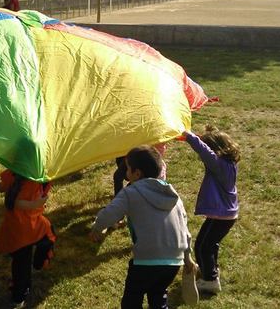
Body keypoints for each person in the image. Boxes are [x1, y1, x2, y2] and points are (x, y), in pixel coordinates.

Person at [90, 145, 197, 309]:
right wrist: (188, 258)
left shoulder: (131, 192)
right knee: (158, 295)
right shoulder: (172, 195)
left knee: (132, 300)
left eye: (127, 169)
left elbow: (109, 214)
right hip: (174, 261)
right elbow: (185, 230)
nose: (126, 173)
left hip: (146, 260)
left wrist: (97, 228)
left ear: (137, 173)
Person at [183, 125, 240, 294]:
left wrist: (190, 136)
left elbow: (205, 152)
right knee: (209, 244)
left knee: (202, 246)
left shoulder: (219, 164)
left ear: (215, 150)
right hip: (227, 214)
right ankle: (211, 270)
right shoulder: (229, 163)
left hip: (221, 215)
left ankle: (210, 280)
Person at [0, 169, 56, 308]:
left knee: (20, 263)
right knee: (48, 237)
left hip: (14, 230)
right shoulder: (37, 179)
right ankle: (20, 293)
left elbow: (2, 187)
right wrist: (35, 204)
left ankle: (20, 294)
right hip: (32, 228)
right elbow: (18, 202)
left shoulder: (13, 173)